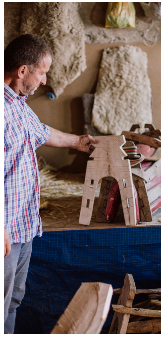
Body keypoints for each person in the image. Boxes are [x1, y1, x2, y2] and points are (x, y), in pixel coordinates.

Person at [4, 34, 99, 334]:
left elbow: (42, 132)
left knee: (14, 299)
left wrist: (79, 142)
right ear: (22, 71)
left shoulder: (17, 104)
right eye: (42, 72)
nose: (45, 80)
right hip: (4, 229)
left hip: (21, 224)